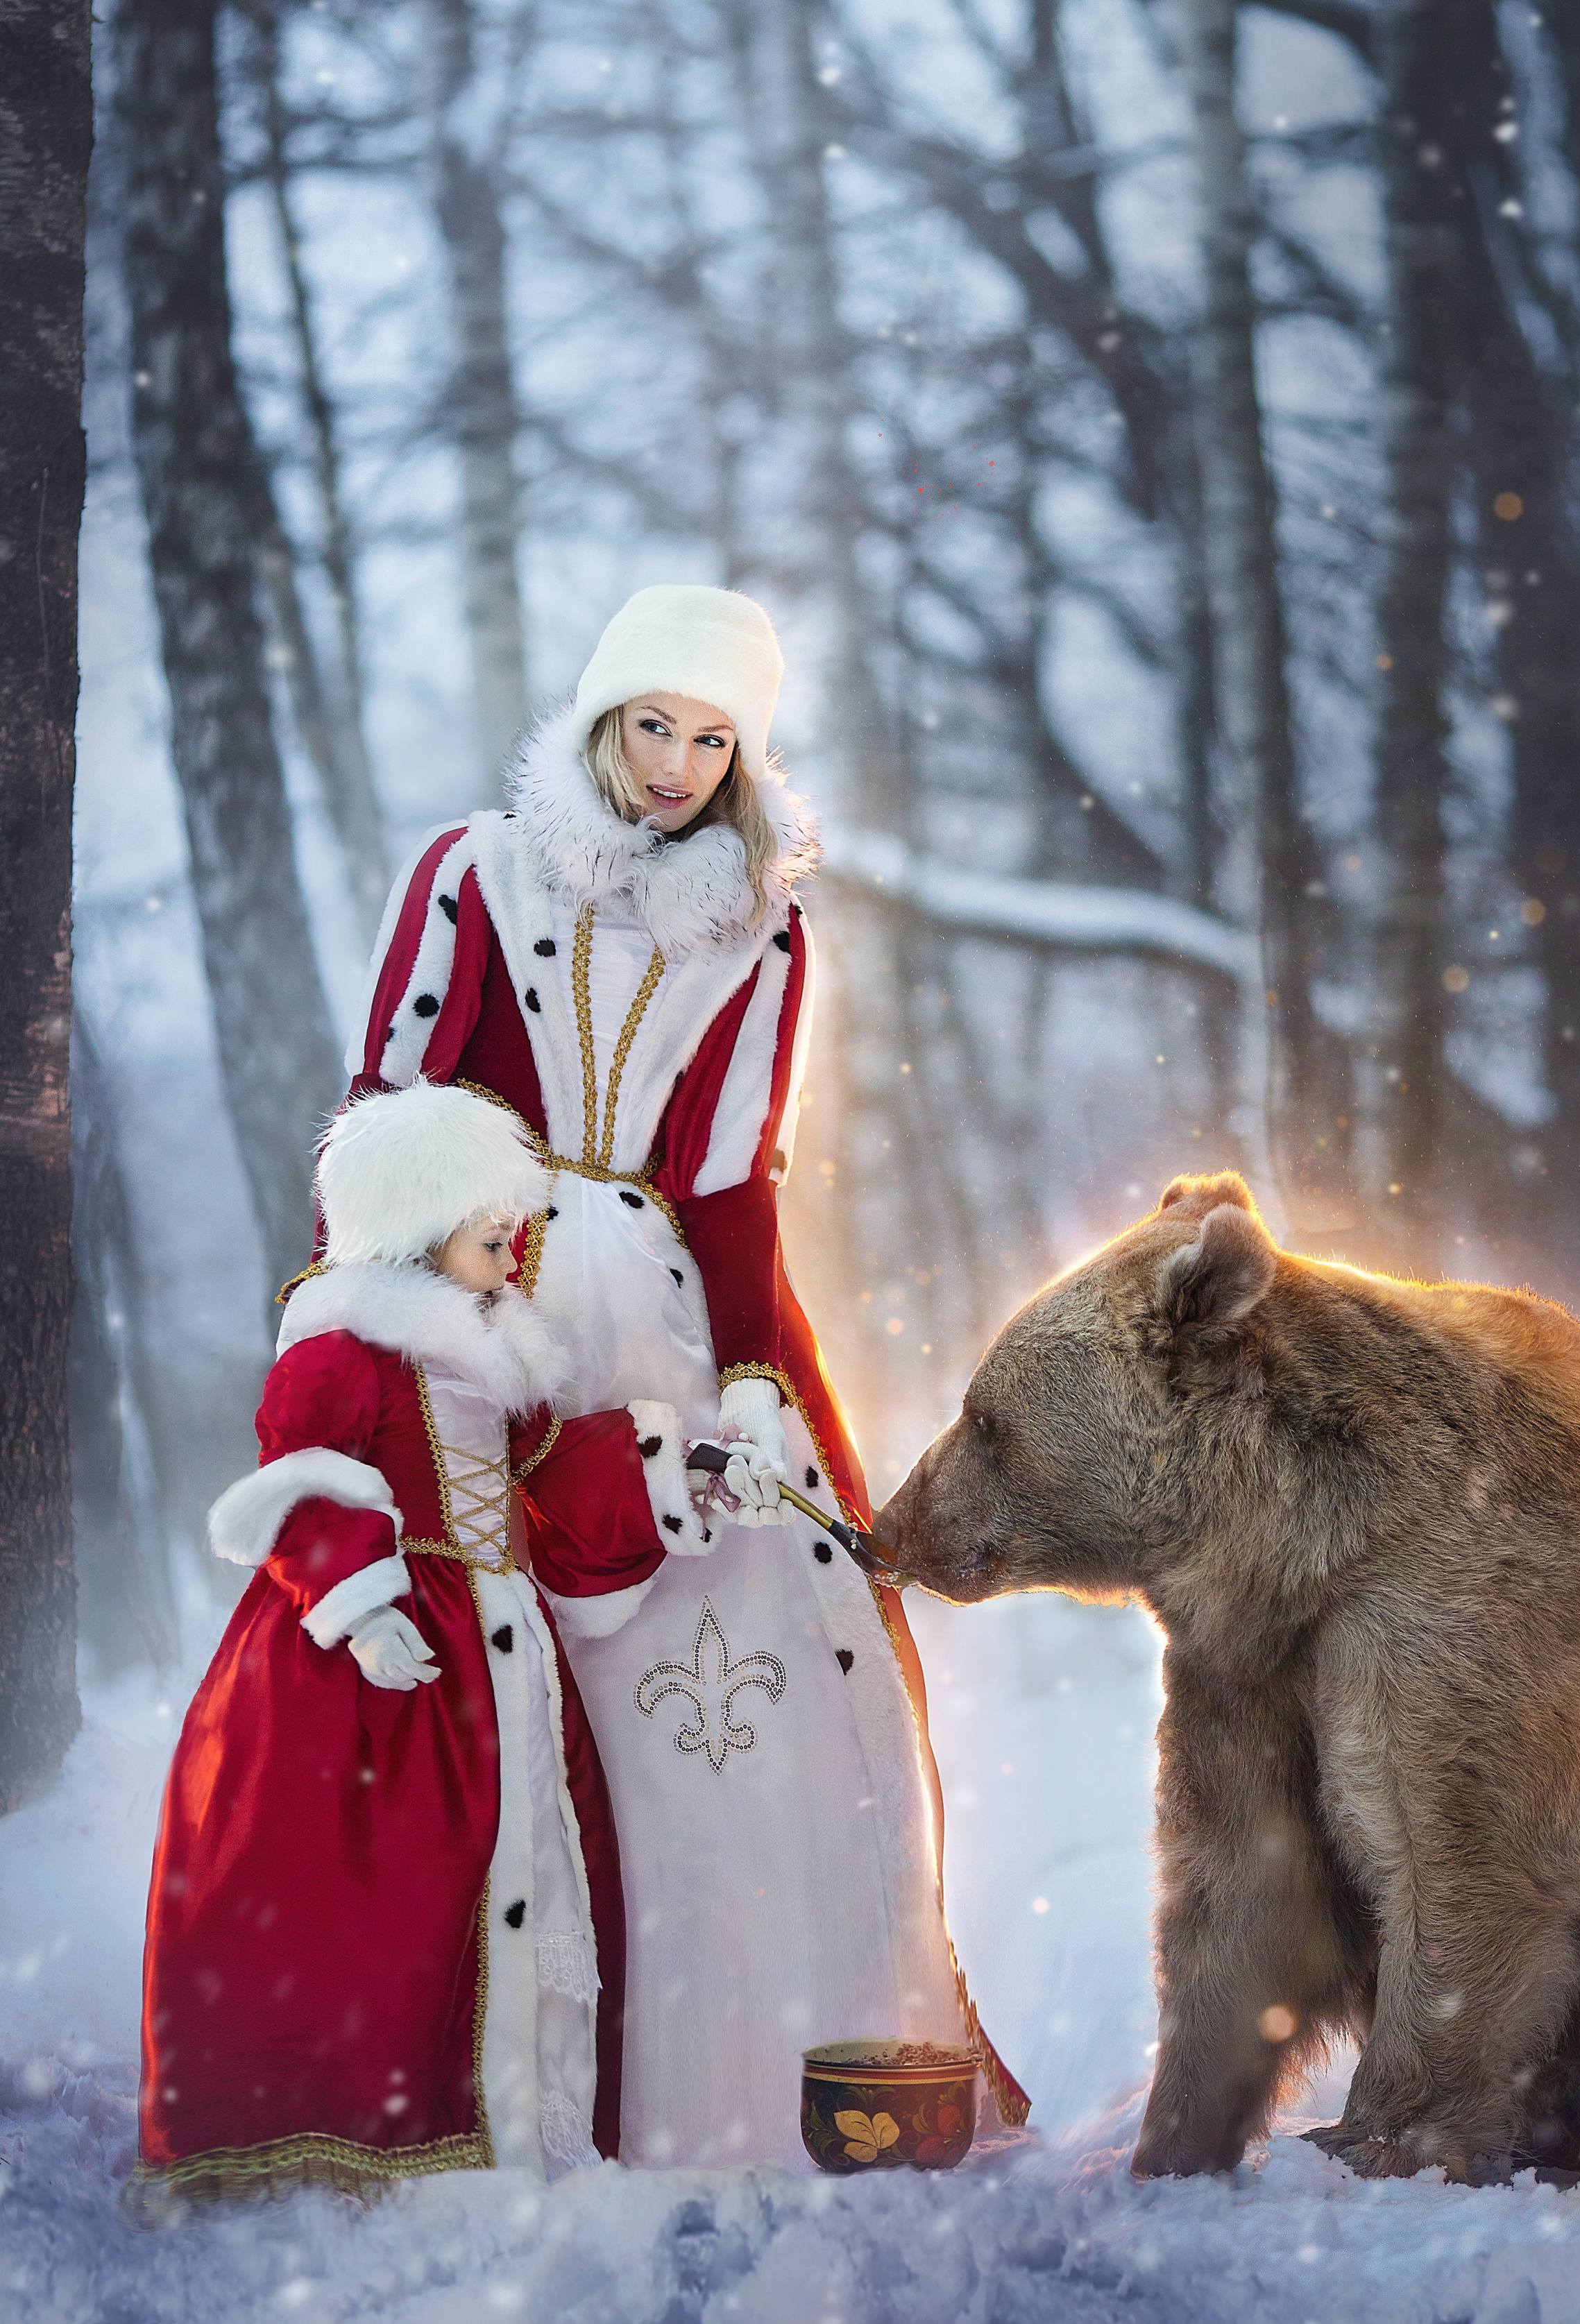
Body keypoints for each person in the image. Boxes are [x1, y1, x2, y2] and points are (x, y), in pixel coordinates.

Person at [341, 583, 1023, 2167]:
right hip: (479, 1278)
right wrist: (385, 1296)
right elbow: (388, 1099)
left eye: (713, 739)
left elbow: (729, 1178)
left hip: (665, 1301)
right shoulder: (472, 871)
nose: (676, 764)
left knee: (768, 1647)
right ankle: (495, 2080)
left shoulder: (762, 923)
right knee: (488, 1651)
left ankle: (746, 2067)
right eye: (655, 723)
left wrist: (745, 1378)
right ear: (600, 716)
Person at [133, 1082, 731, 2205]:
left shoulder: (495, 1365)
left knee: (523, 1874)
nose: (512, 1236)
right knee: (386, 1890)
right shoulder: (344, 1348)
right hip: (379, 1664)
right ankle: (384, 2132)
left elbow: (548, 1480)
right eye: (485, 1218)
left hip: (502, 1663)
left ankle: (521, 2124)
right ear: (416, 1217)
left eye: (514, 1218)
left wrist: (678, 1463)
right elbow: (299, 1469)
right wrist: (361, 1601)